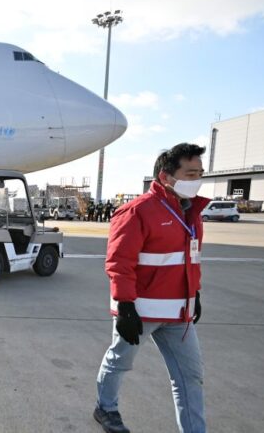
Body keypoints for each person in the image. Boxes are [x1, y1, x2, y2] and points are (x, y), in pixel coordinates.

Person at [93, 143, 208, 433]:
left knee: (189, 378)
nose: (196, 180)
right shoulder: (137, 212)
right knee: (119, 362)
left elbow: (190, 259)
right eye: (190, 173)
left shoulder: (192, 213)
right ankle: (105, 408)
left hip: (179, 313)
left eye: (200, 173)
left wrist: (195, 293)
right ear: (165, 176)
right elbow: (120, 262)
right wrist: (125, 307)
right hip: (140, 311)